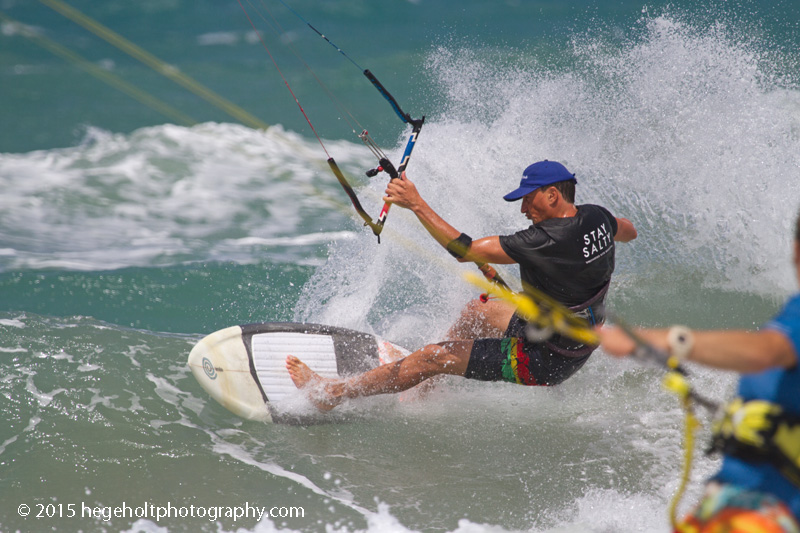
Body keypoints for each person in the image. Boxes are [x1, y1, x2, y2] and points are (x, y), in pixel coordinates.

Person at [286, 160, 637, 409]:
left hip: (542, 359)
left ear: (552, 195)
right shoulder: (597, 217)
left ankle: (330, 395)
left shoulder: (543, 239)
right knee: (478, 310)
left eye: (528, 199)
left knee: (432, 355)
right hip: (572, 338)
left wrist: (416, 203)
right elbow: (629, 231)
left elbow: (464, 250)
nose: (523, 209)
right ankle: (430, 384)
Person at [597, 211, 800, 532]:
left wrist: (669, 339)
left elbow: (767, 351)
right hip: (736, 499)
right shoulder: (794, 308)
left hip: (769, 512)